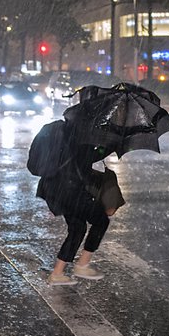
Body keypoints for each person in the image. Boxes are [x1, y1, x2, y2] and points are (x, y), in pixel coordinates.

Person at [36, 122, 118, 286]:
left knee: (77, 228)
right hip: (71, 190)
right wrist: (111, 145)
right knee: (101, 220)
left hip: (54, 188)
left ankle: (57, 274)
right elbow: (90, 157)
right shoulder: (83, 133)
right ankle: (82, 265)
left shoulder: (63, 130)